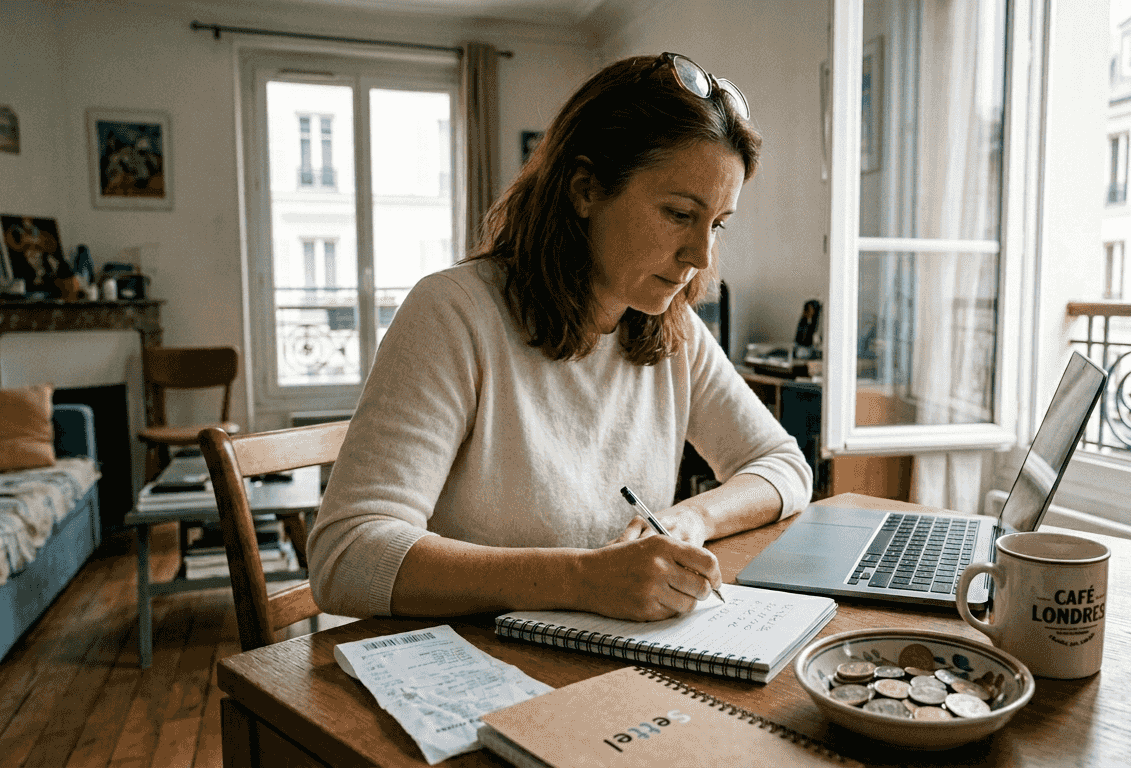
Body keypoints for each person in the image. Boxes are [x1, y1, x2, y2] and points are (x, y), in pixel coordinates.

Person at [308, 53, 812, 623]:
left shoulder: (671, 329)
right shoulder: (454, 314)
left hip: (604, 659)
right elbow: (346, 557)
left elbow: (783, 466)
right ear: (584, 189)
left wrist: (688, 521)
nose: (701, 256)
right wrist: (581, 577)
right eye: (678, 214)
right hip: (469, 663)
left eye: (717, 224)